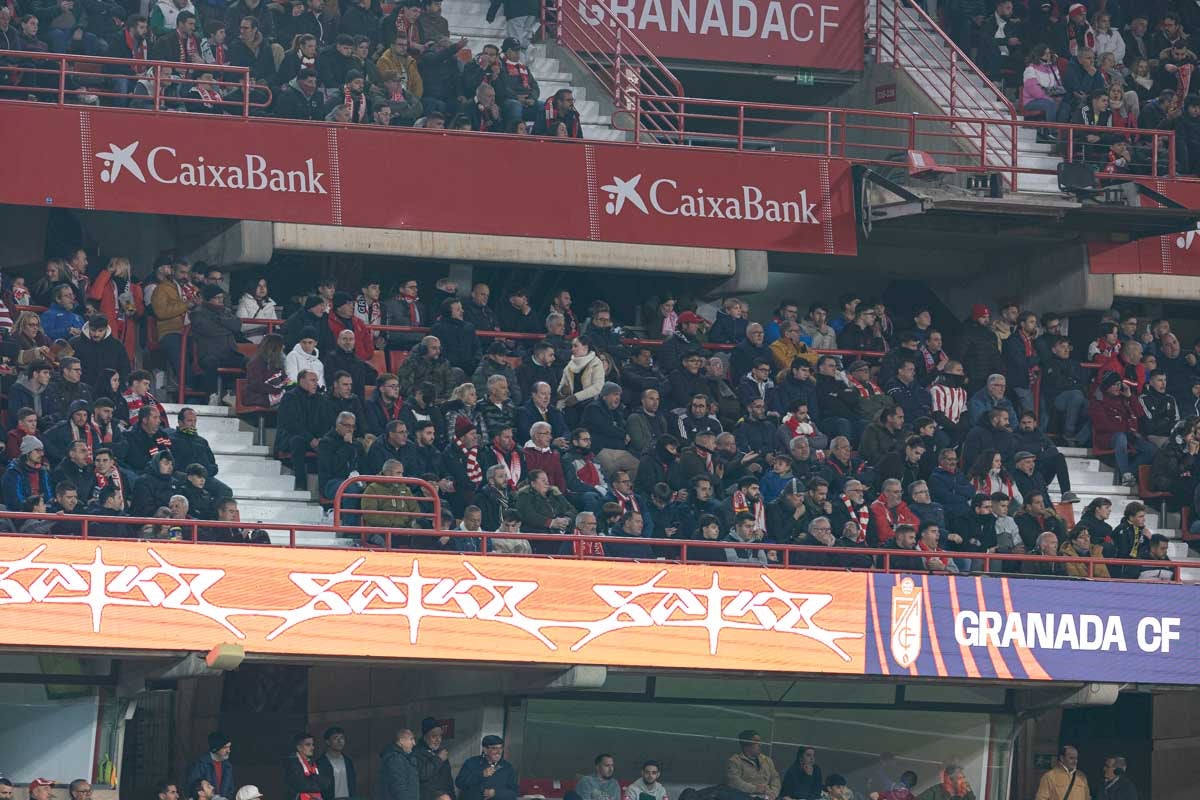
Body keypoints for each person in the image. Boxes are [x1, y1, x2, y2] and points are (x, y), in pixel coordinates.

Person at [1090, 371, 1157, 486]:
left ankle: (1128, 473)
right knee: (1120, 438)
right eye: (1114, 384)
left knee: (1151, 450)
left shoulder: (1124, 398)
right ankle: (1126, 474)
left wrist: (1130, 397)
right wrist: (1125, 430)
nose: (1117, 387)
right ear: (1106, 386)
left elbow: (1140, 415)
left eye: (1119, 384)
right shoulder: (1098, 401)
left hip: (1129, 436)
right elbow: (1102, 425)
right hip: (1107, 437)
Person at [455, 735, 518, 800]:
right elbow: (459, 783)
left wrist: (496, 793)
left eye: (501, 748)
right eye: (494, 748)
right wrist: (481, 775)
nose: (498, 752)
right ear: (485, 750)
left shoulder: (507, 767)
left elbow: (514, 793)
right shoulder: (471, 763)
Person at [724, 729, 780, 800]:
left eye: (760, 742)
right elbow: (734, 782)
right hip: (747, 797)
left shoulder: (767, 760)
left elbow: (775, 778)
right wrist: (755, 789)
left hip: (769, 797)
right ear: (746, 745)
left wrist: (774, 793)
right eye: (756, 742)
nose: (760, 744)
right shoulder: (735, 761)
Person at [413, 717, 454, 800]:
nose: (438, 740)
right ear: (425, 736)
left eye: (440, 736)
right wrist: (438, 759)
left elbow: (448, 780)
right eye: (434, 736)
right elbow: (421, 775)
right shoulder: (416, 753)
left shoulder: (441, 752)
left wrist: (452, 797)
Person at [187, 733, 235, 800]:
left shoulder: (228, 766)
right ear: (215, 749)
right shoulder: (201, 764)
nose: (228, 750)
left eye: (229, 747)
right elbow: (193, 787)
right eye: (225, 747)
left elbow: (231, 789)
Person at [378, 729, 420, 800]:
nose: (414, 743)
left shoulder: (404, 758)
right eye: (411, 739)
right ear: (401, 741)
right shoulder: (395, 759)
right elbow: (399, 789)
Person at [316, 728, 355, 800]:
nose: (339, 741)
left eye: (342, 738)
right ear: (328, 742)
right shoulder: (321, 763)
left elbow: (353, 784)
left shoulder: (348, 761)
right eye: (335, 738)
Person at [283, 732, 324, 800]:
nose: (312, 747)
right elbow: (302, 785)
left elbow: (326, 783)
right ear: (299, 747)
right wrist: (318, 782)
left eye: (313, 744)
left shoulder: (313, 762)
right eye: (308, 745)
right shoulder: (292, 764)